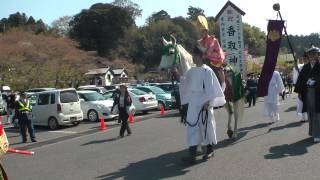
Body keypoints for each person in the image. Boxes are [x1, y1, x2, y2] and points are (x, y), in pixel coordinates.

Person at [179, 46, 226, 164]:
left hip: (205, 101)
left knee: (206, 126)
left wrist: (208, 102)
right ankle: (192, 153)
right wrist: (177, 75)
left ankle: (209, 150)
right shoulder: (191, 71)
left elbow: (211, 89)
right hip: (194, 102)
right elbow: (185, 83)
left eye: (195, 56)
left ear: (200, 57)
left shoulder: (207, 71)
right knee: (192, 126)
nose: (193, 58)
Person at [294, 46, 320, 142]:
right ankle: (313, 132)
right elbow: (300, 80)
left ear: (318, 55)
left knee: (317, 113)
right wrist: (300, 92)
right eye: (310, 55)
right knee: (310, 113)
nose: (312, 56)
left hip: (318, 92)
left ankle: (317, 134)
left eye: (314, 54)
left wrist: (315, 81)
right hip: (308, 92)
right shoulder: (305, 67)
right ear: (308, 56)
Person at [293, 53, 309, 122]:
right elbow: (296, 68)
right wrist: (295, 61)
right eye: (303, 59)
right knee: (301, 102)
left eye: (306, 59)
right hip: (301, 87)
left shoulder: (311, 66)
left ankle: (309, 116)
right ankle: (303, 117)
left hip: (309, 87)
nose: (304, 60)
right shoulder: (301, 66)